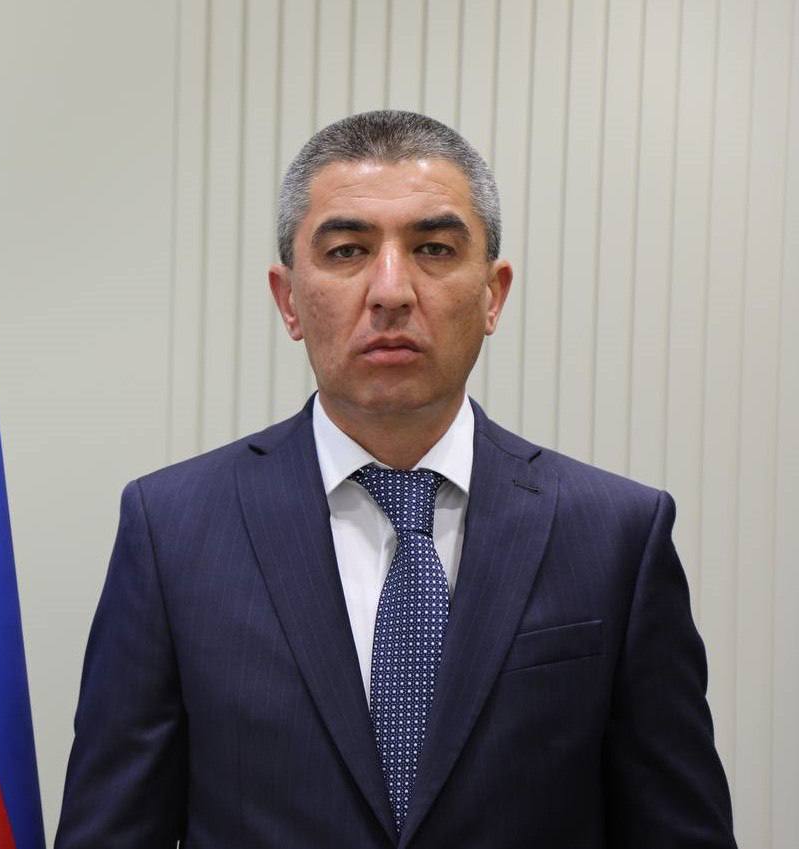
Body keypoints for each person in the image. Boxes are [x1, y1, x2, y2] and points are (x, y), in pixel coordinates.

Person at [54, 110, 736, 848]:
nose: (390, 290)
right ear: (288, 299)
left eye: (433, 249)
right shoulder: (172, 530)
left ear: (492, 294)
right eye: (347, 250)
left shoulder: (615, 534)